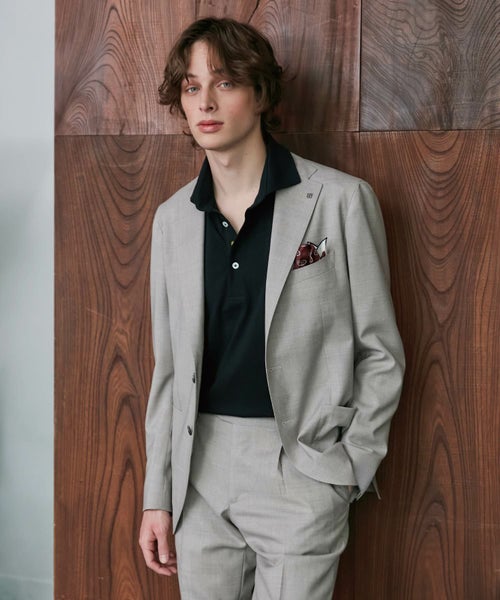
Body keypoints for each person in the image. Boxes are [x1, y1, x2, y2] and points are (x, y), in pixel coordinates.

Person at [139, 16, 405, 599]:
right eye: (191, 86)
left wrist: (347, 468)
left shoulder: (339, 201)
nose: (205, 102)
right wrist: (158, 495)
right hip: (198, 474)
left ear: (260, 94)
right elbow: (169, 372)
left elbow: (381, 352)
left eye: (225, 82)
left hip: (299, 468)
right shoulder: (172, 220)